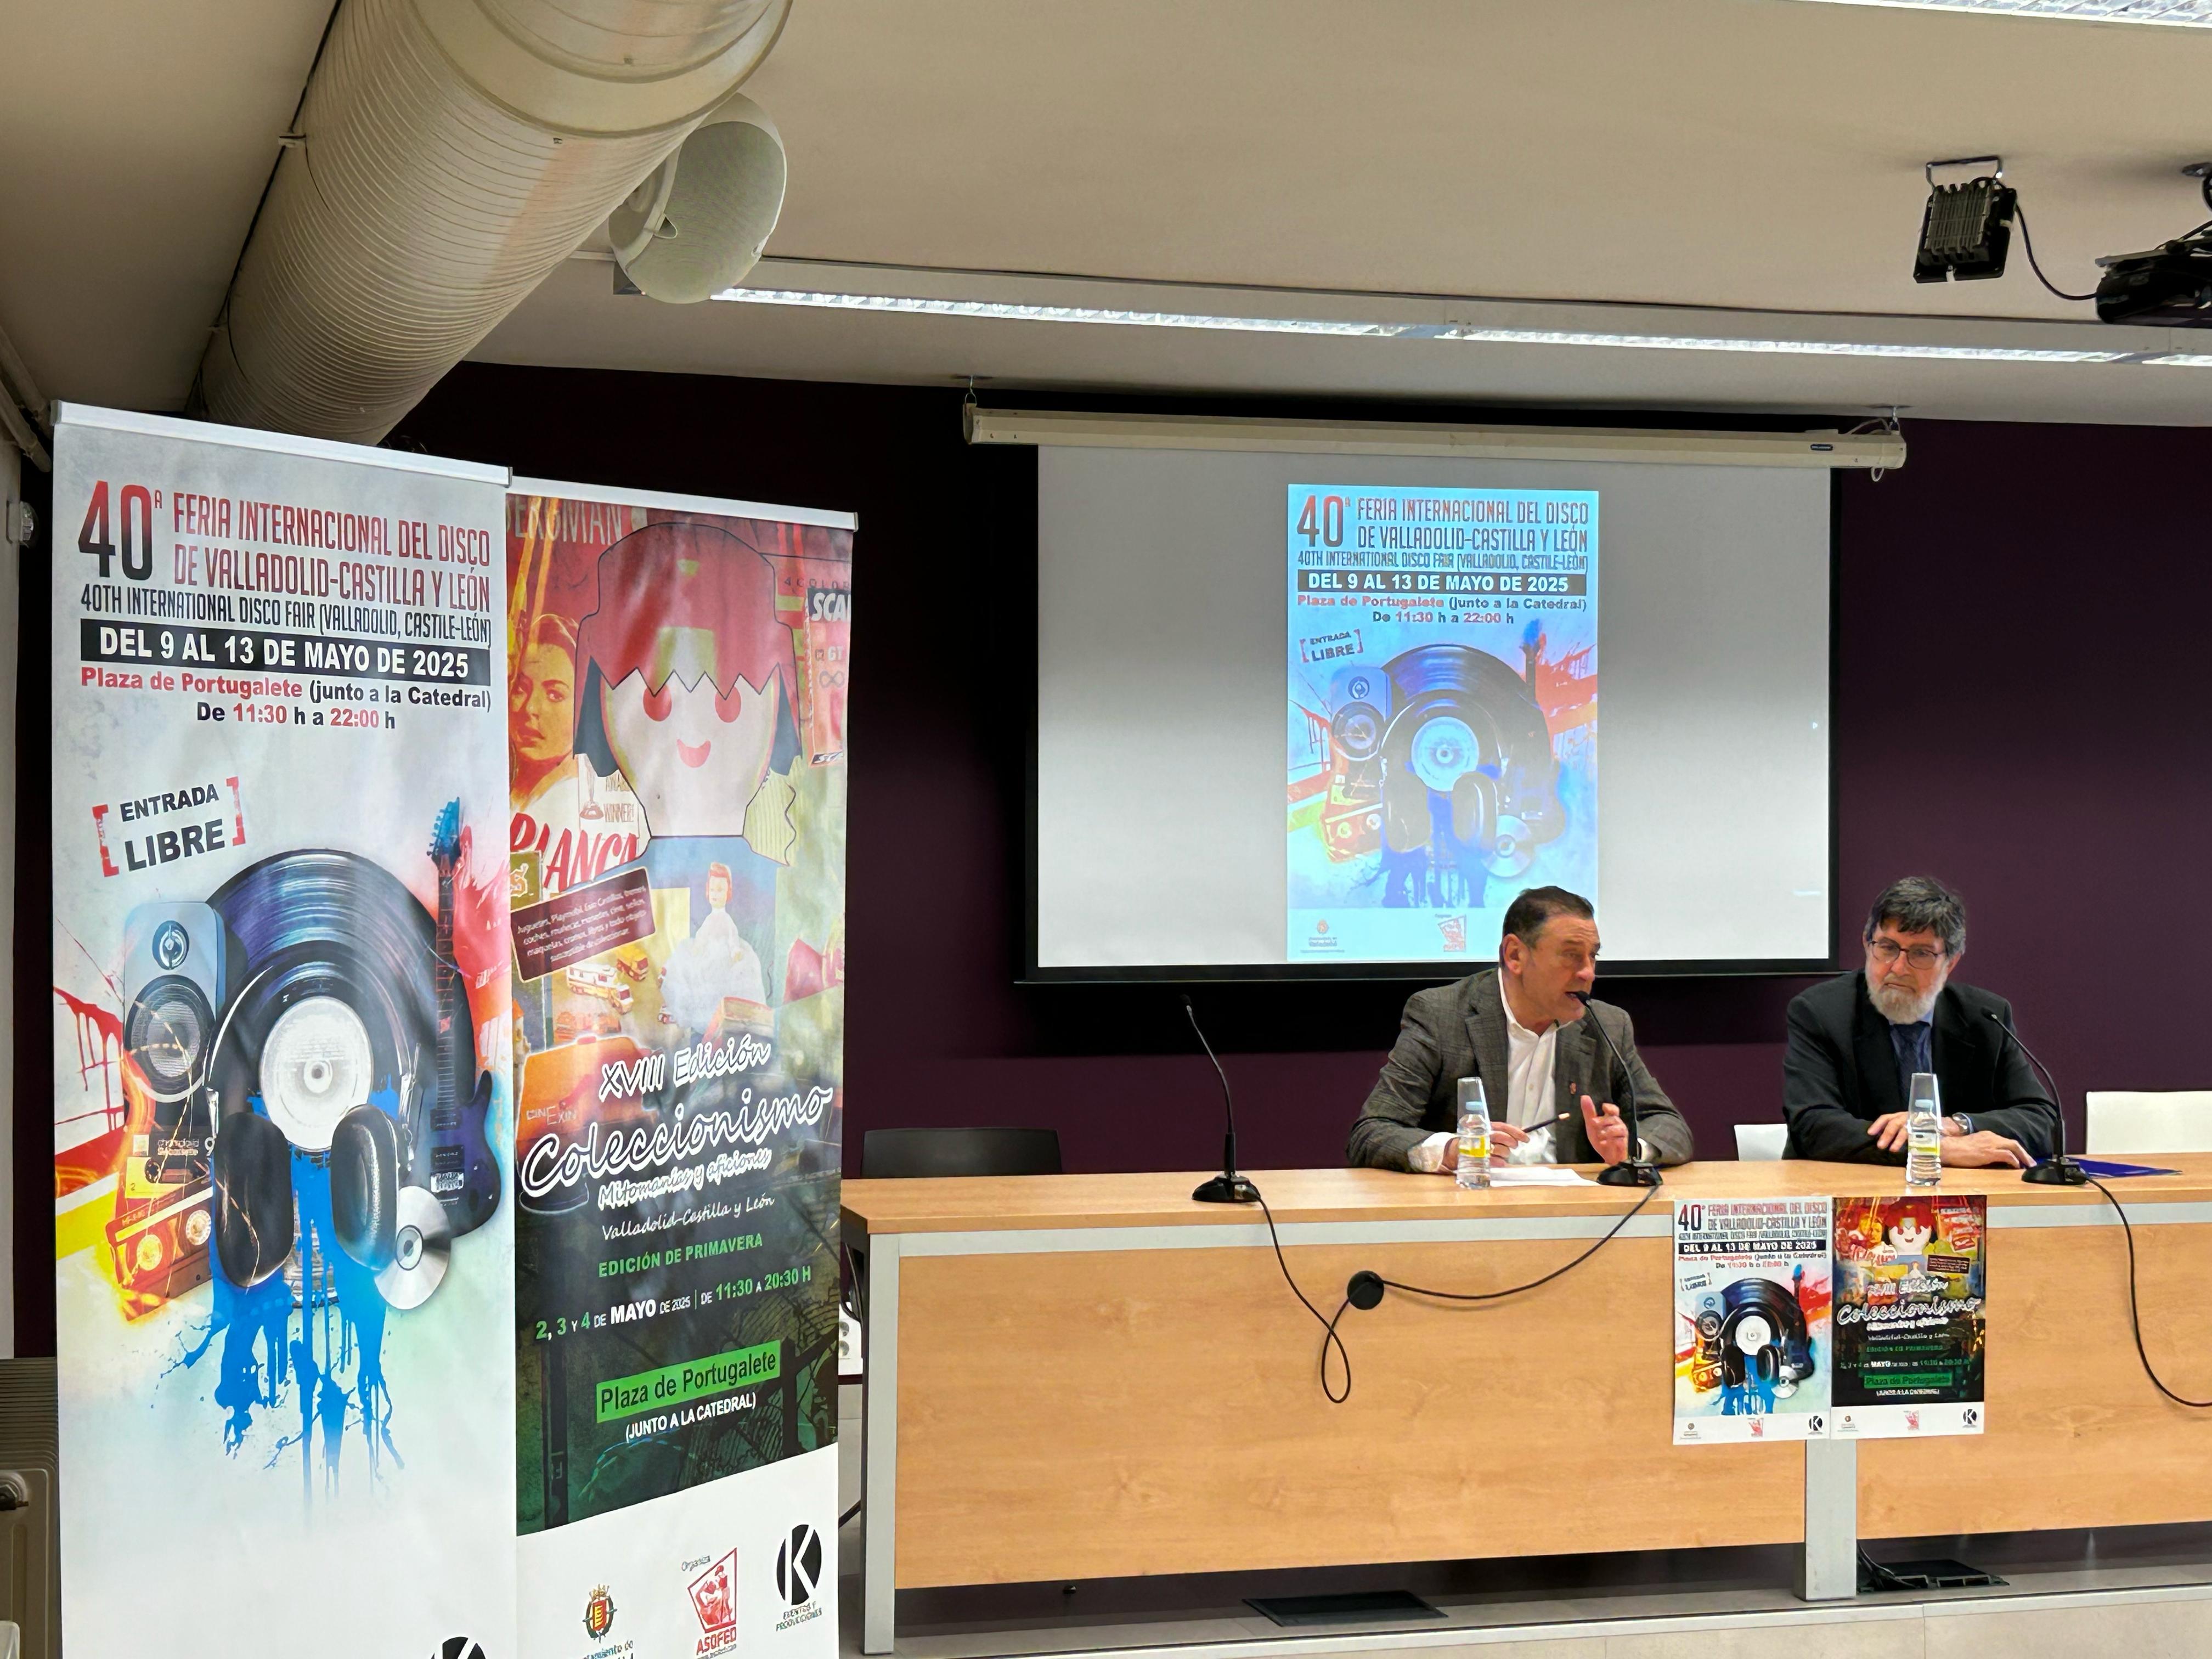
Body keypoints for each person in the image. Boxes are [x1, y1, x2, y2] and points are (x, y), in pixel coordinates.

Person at [1347, 886, 1695, 1172]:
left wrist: (1629, 1147)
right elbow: (1372, 1132)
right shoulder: (1442, 1016)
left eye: (1593, 956)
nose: (1588, 972)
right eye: (1571, 955)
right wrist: (1452, 1151)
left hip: (1572, 1213)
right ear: (1515, 955)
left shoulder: (1607, 1025)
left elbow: (1669, 1125)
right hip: (1469, 1209)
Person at [1781, 876, 2057, 1166]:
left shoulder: (1985, 1017)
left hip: (1961, 1190)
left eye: (1921, 954)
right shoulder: (1821, 1013)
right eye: (1887, 947)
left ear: (1950, 962)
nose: (1899, 968)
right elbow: (1812, 1125)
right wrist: (1932, 1148)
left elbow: (2043, 1120)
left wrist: (1956, 1125)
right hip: (1849, 1187)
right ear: (1867, 944)